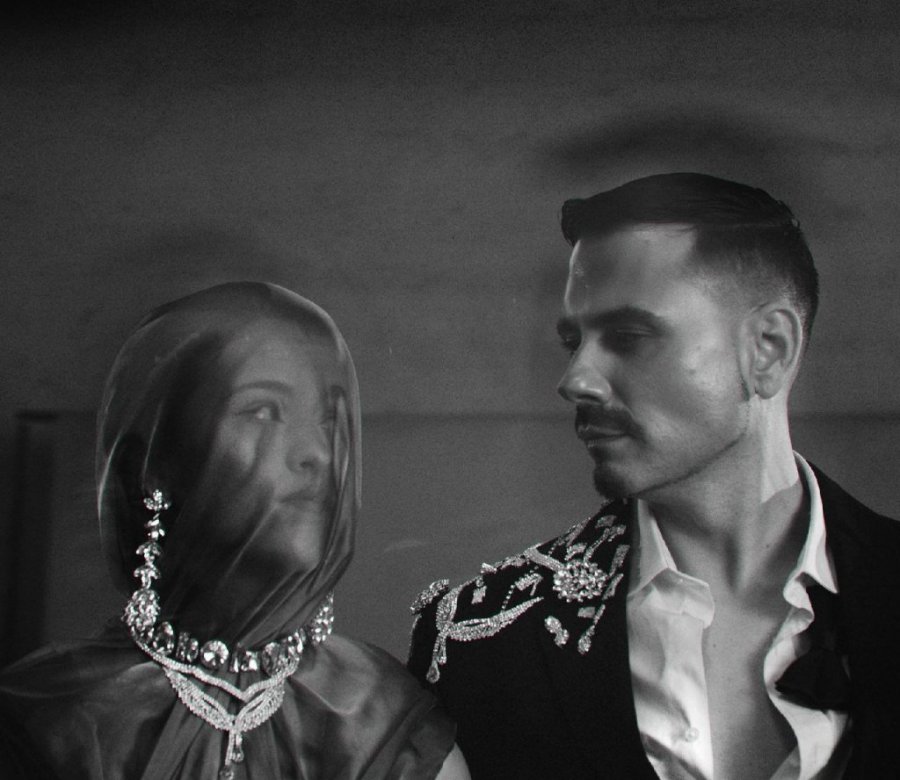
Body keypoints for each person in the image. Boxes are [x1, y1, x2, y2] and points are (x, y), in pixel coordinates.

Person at [408, 173, 900, 779]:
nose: (575, 380)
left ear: (769, 348)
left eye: (628, 336)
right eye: (573, 342)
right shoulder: (482, 640)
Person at [0, 282, 469, 779]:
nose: (317, 454)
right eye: (263, 412)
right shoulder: (56, 721)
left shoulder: (385, 724)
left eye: (330, 419)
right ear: (159, 462)